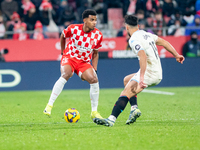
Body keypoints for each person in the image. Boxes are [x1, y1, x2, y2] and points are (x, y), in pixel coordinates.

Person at [94, 15, 184, 127]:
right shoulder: (147, 34)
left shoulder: (133, 39)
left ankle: (111, 120)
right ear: (138, 26)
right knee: (126, 80)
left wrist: (141, 78)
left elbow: (142, 56)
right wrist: (177, 55)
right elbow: (164, 42)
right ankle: (134, 109)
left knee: (125, 93)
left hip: (149, 73)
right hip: (156, 71)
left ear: (126, 27)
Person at [43, 9, 104, 122]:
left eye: (95, 20)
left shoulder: (98, 35)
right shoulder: (73, 28)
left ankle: (94, 112)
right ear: (84, 20)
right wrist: (62, 52)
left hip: (84, 63)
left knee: (94, 79)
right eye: (92, 20)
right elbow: (62, 36)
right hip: (70, 58)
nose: (94, 22)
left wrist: (94, 69)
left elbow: (95, 53)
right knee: (67, 73)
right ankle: (49, 106)